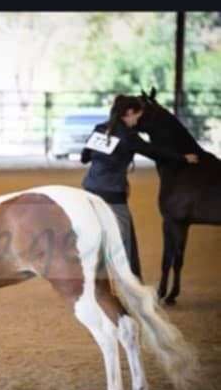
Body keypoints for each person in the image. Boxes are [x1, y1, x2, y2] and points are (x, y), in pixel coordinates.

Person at [80, 94, 198, 280]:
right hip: (112, 193)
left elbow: (85, 157)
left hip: (89, 188)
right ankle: (133, 283)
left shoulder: (100, 129)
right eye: (137, 116)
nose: (137, 121)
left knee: (96, 233)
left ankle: (94, 276)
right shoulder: (129, 136)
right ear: (128, 113)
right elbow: (156, 152)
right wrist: (183, 158)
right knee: (126, 240)